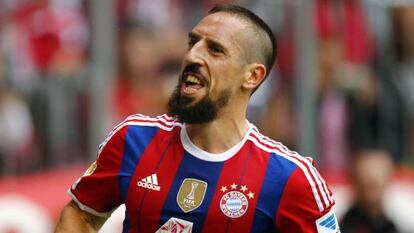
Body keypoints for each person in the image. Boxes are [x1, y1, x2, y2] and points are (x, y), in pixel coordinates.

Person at [55, 4, 339, 233]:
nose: (192, 55)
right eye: (193, 43)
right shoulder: (132, 139)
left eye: (215, 50)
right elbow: (80, 215)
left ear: (252, 76)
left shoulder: (291, 177)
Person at [340, 149, 399, 233]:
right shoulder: (343, 227)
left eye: (375, 184)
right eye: (366, 183)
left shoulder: (391, 225)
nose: (371, 178)